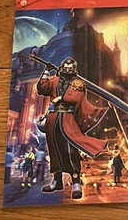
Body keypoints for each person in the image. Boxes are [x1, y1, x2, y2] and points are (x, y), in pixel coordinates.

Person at [36, 58, 107, 200]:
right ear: (62, 67)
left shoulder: (78, 83)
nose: (67, 70)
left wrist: (61, 98)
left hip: (68, 118)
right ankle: (57, 180)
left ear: (74, 69)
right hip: (53, 118)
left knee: (70, 149)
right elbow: (42, 89)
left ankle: (76, 182)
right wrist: (46, 72)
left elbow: (76, 98)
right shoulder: (54, 80)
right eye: (66, 67)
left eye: (70, 68)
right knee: (54, 148)